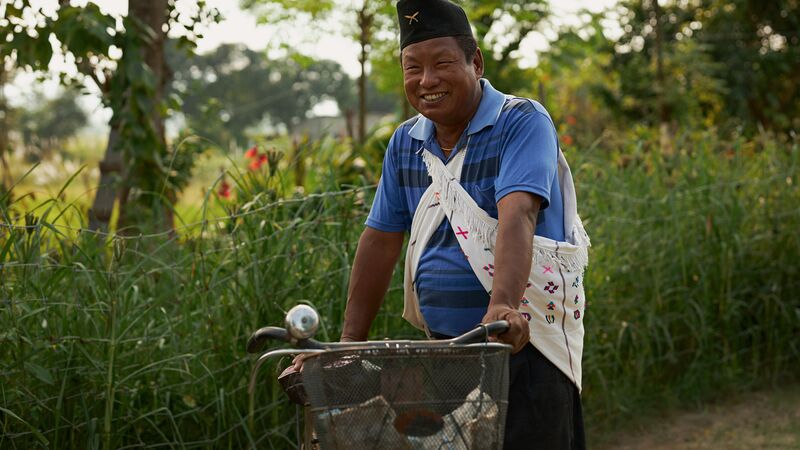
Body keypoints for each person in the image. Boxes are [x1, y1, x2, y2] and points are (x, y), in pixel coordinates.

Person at [295, 1, 590, 448]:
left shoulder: (521, 122)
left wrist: (503, 305)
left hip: (524, 349)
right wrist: (349, 343)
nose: (426, 81)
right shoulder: (405, 142)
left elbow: (519, 214)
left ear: (476, 62)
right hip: (443, 360)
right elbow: (379, 239)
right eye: (413, 68)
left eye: (442, 64)